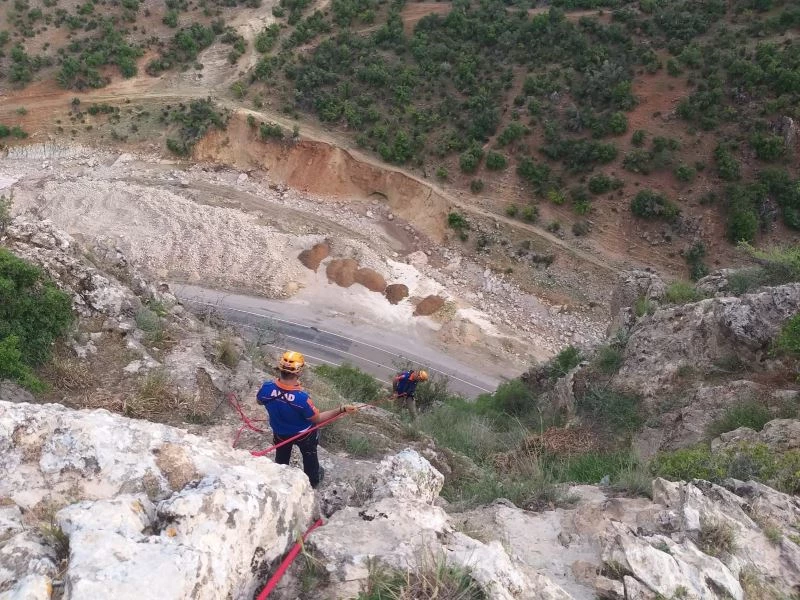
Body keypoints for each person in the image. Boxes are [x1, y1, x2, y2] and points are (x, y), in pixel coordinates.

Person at [257, 351, 355, 488]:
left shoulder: (266, 388)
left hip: (280, 432)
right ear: (298, 372)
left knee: (282, 455)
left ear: (280, 369)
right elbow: (317, 419)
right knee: (310, 456)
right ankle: (313, 480)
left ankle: (279, 476)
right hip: (304, 434)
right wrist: (341, 409)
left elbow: (260, 402)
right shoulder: (301, 398)